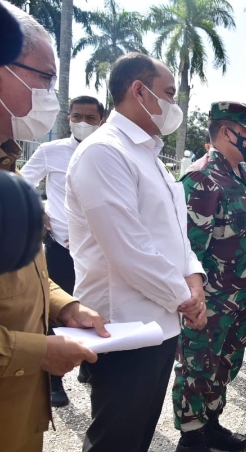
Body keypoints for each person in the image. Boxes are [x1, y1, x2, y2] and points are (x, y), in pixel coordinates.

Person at [65, 52, 208, 452]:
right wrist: (186, 299)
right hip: (123, 327)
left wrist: (193, 278)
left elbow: (176, 236)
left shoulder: (151, 158)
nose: (174, 106)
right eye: (168, 94)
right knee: (115, 439)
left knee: (138, 434)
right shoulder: (104, 152)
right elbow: (128, 249)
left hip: (161, 322)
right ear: (139, 91)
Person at [0, 3, 108, 451]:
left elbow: (24, 279)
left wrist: (64, 306)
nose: (51, 94)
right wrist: (40, 352)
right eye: (44, 78)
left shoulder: (9, 168)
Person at [172, 101, 246, 452]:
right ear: (227, 132)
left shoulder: (241, 177)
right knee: (197, 366)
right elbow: (186, 251)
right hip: (209, 300)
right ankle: (191, 435)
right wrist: (190, 300)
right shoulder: (201, 178)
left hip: (238, 298)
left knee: (226, 363)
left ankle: (211, 422)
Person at [21, 94, 104, 405]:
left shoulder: (107, 154)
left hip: (97, 251)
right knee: (57, 311)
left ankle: (89, 363)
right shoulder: (50, 151)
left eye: (90, 117)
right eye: (76, 116)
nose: (82, 122)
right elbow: (20, 182)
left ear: (101, 121)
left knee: (95, 309)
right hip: (61, 247)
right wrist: (38, 211)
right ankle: (54, 380)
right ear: (68, 119)